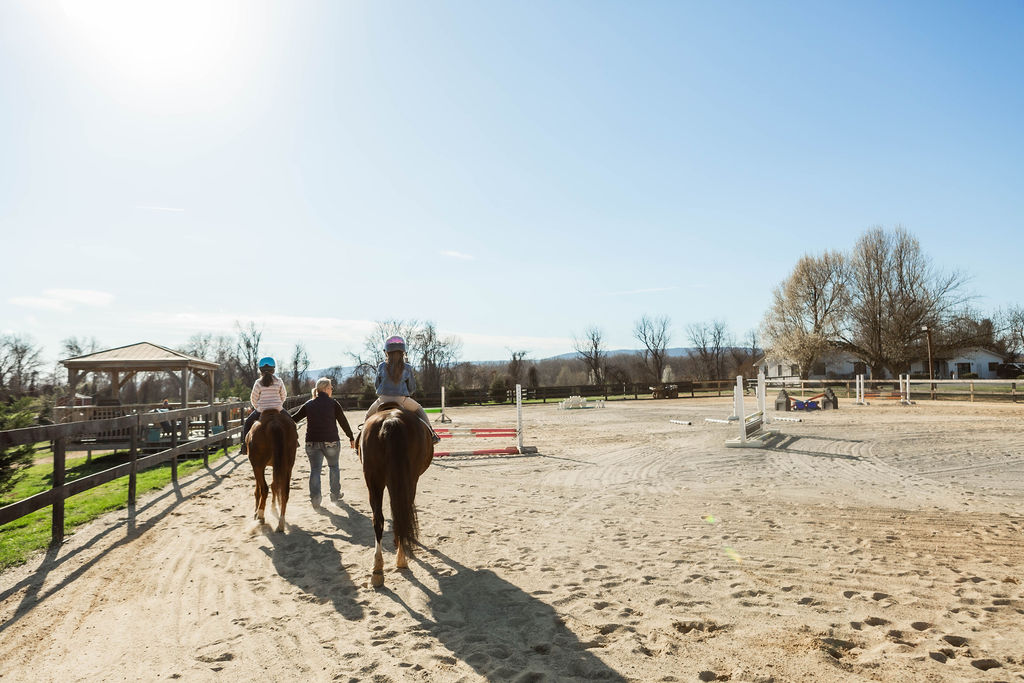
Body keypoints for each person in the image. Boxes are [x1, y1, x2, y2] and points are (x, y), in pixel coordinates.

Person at [291, 377, 356, 507]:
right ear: (326, 389)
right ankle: (335, 495)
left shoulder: (309, 404)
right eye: (331, 387)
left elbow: (293, 419)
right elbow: (343, 422)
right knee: (334, 467)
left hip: (312, 442)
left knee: (315, 470)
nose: (332, 390)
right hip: (331, 441)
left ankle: (315, 499)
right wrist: (351, 437)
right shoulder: (333, 403)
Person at [365, 336, 441, 443]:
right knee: (419, 409)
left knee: (368, 415)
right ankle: (432, 435)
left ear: (387, 352)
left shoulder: (381, 366)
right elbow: (412, 388)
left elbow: (377, 385)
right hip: (402, 399)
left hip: (383, 399)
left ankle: (361, 438)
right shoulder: (407, 367)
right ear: (403, 353)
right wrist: (406, 393)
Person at [240, 357, 290, 456]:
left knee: (248, 422)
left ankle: (245, 446)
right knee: (290, 421)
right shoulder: (279, 381)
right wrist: (279, 405)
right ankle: (294, 441)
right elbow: (284, 395)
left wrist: (257, 408)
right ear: (274, 369)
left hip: (261, 410)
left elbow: (253, 398)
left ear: (260, 370)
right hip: (277, 409)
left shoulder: (258, 383)